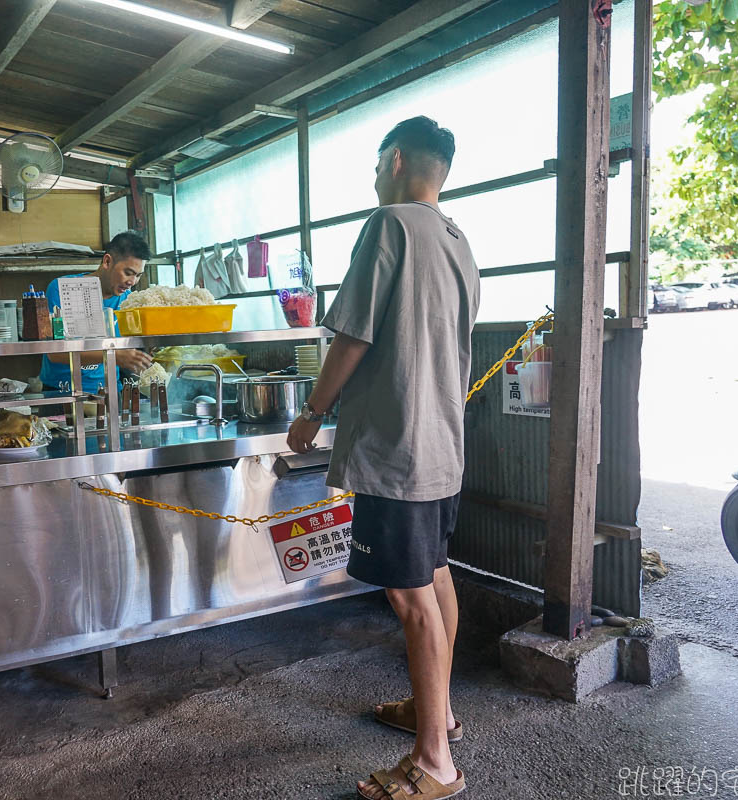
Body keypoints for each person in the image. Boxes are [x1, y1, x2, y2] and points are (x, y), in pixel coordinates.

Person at [286, 117, 479, 800]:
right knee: (435, 574)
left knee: (409, 595)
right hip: (442, 444)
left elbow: (352, 336)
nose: (373, 178)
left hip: (396, 448)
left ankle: (434, 764)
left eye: (375, 165)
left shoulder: (389, 224)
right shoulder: (459, 241)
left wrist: (312, 414)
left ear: (396, 160)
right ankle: (442, 717)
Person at [38, 230, 154, 393]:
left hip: (110, 393)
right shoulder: (61, 289)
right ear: (107, 261)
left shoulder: (129, 300)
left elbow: (131, 343)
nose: (132, 282)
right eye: (128, 273)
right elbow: (56, 354)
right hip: (62, 392)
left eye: (138, 276)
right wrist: (113, 355)